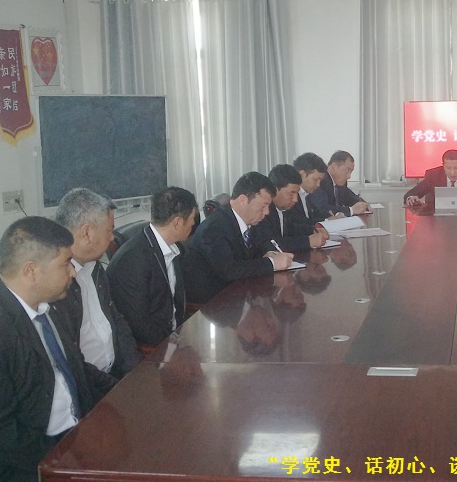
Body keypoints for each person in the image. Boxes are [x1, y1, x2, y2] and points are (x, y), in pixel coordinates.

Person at [0, 217, 93, 480]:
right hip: (29, 460)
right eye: (65, 263)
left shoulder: (52, 303)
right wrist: (60, 461)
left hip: (75, 434)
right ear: (31, 271)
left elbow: (75, 366)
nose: (73, 272)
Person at [53, 188, 142, 401]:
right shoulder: (55, 285)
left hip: (116, 377)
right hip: (88, 391)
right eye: (109, 230)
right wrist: (116, 388)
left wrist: (135, 372)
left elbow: (116, 320)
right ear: (86, 233)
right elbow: (71, 359)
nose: (112, 238)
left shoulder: (96, 267)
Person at [182, 172, 294, 303]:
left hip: (240, 293)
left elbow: (261, 244)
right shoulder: (214, 227)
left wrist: (268, 253)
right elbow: (229, 270)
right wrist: (272, 263)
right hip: (214, 301)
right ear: (242, 200)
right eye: (263, 206)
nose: (267, 212)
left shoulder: (250, 220)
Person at [107, 187, 199, 346]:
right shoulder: (133, 260)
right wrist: (172, 344)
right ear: (177, 222)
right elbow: (139, 325)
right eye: (192, 219)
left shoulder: (175, 247)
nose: (193, 224)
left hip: (176, 334)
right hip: (155, 347)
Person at [250, 164, 328, 252]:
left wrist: (313, 230)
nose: (295, 199)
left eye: (297, 193)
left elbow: (291, 228)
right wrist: (308, 241)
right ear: (274, 190)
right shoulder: (263, 211)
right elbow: (269, 244)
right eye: (291, 194)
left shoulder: (284, 209)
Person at [307, 150, 370, 216]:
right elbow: (322, 208)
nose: (349, 176)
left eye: (351, 172)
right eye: (347, 170)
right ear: (334, 167)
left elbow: (350, 197)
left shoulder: (340, 182)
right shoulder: (320, 180)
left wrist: (363, 205)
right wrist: (351, 210)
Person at [287, 152, 329, 227]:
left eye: (320, 181)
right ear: (302, 174)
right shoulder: (290, 197)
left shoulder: (307, 194)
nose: (318, 185)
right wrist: (326, 221)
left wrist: (330, 218)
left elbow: (316, 214)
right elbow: (299, 222)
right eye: (315, 180)